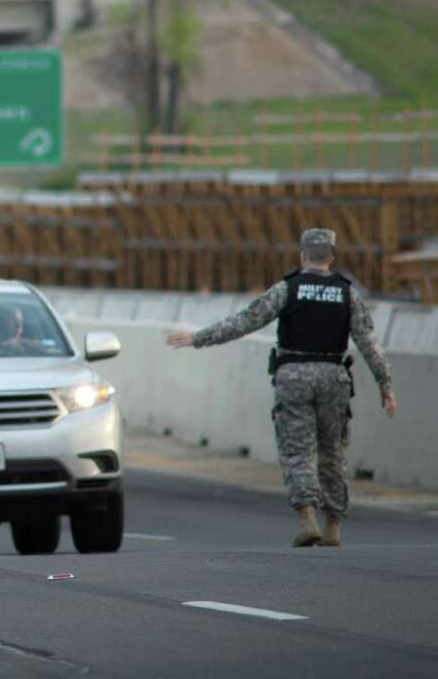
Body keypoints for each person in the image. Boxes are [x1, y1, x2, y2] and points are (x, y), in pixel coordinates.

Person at [166, 228, 398, 548]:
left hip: (293, 377)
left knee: (298, 451)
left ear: (302, 256)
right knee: (333, 453)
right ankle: (334, 525)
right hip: (334, 377)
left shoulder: (287, 289)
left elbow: (246, 321)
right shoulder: (348, 294)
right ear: (331, 257)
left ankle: (307, 517)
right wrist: (385, 384)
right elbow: (369, 343)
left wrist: (198, 338)